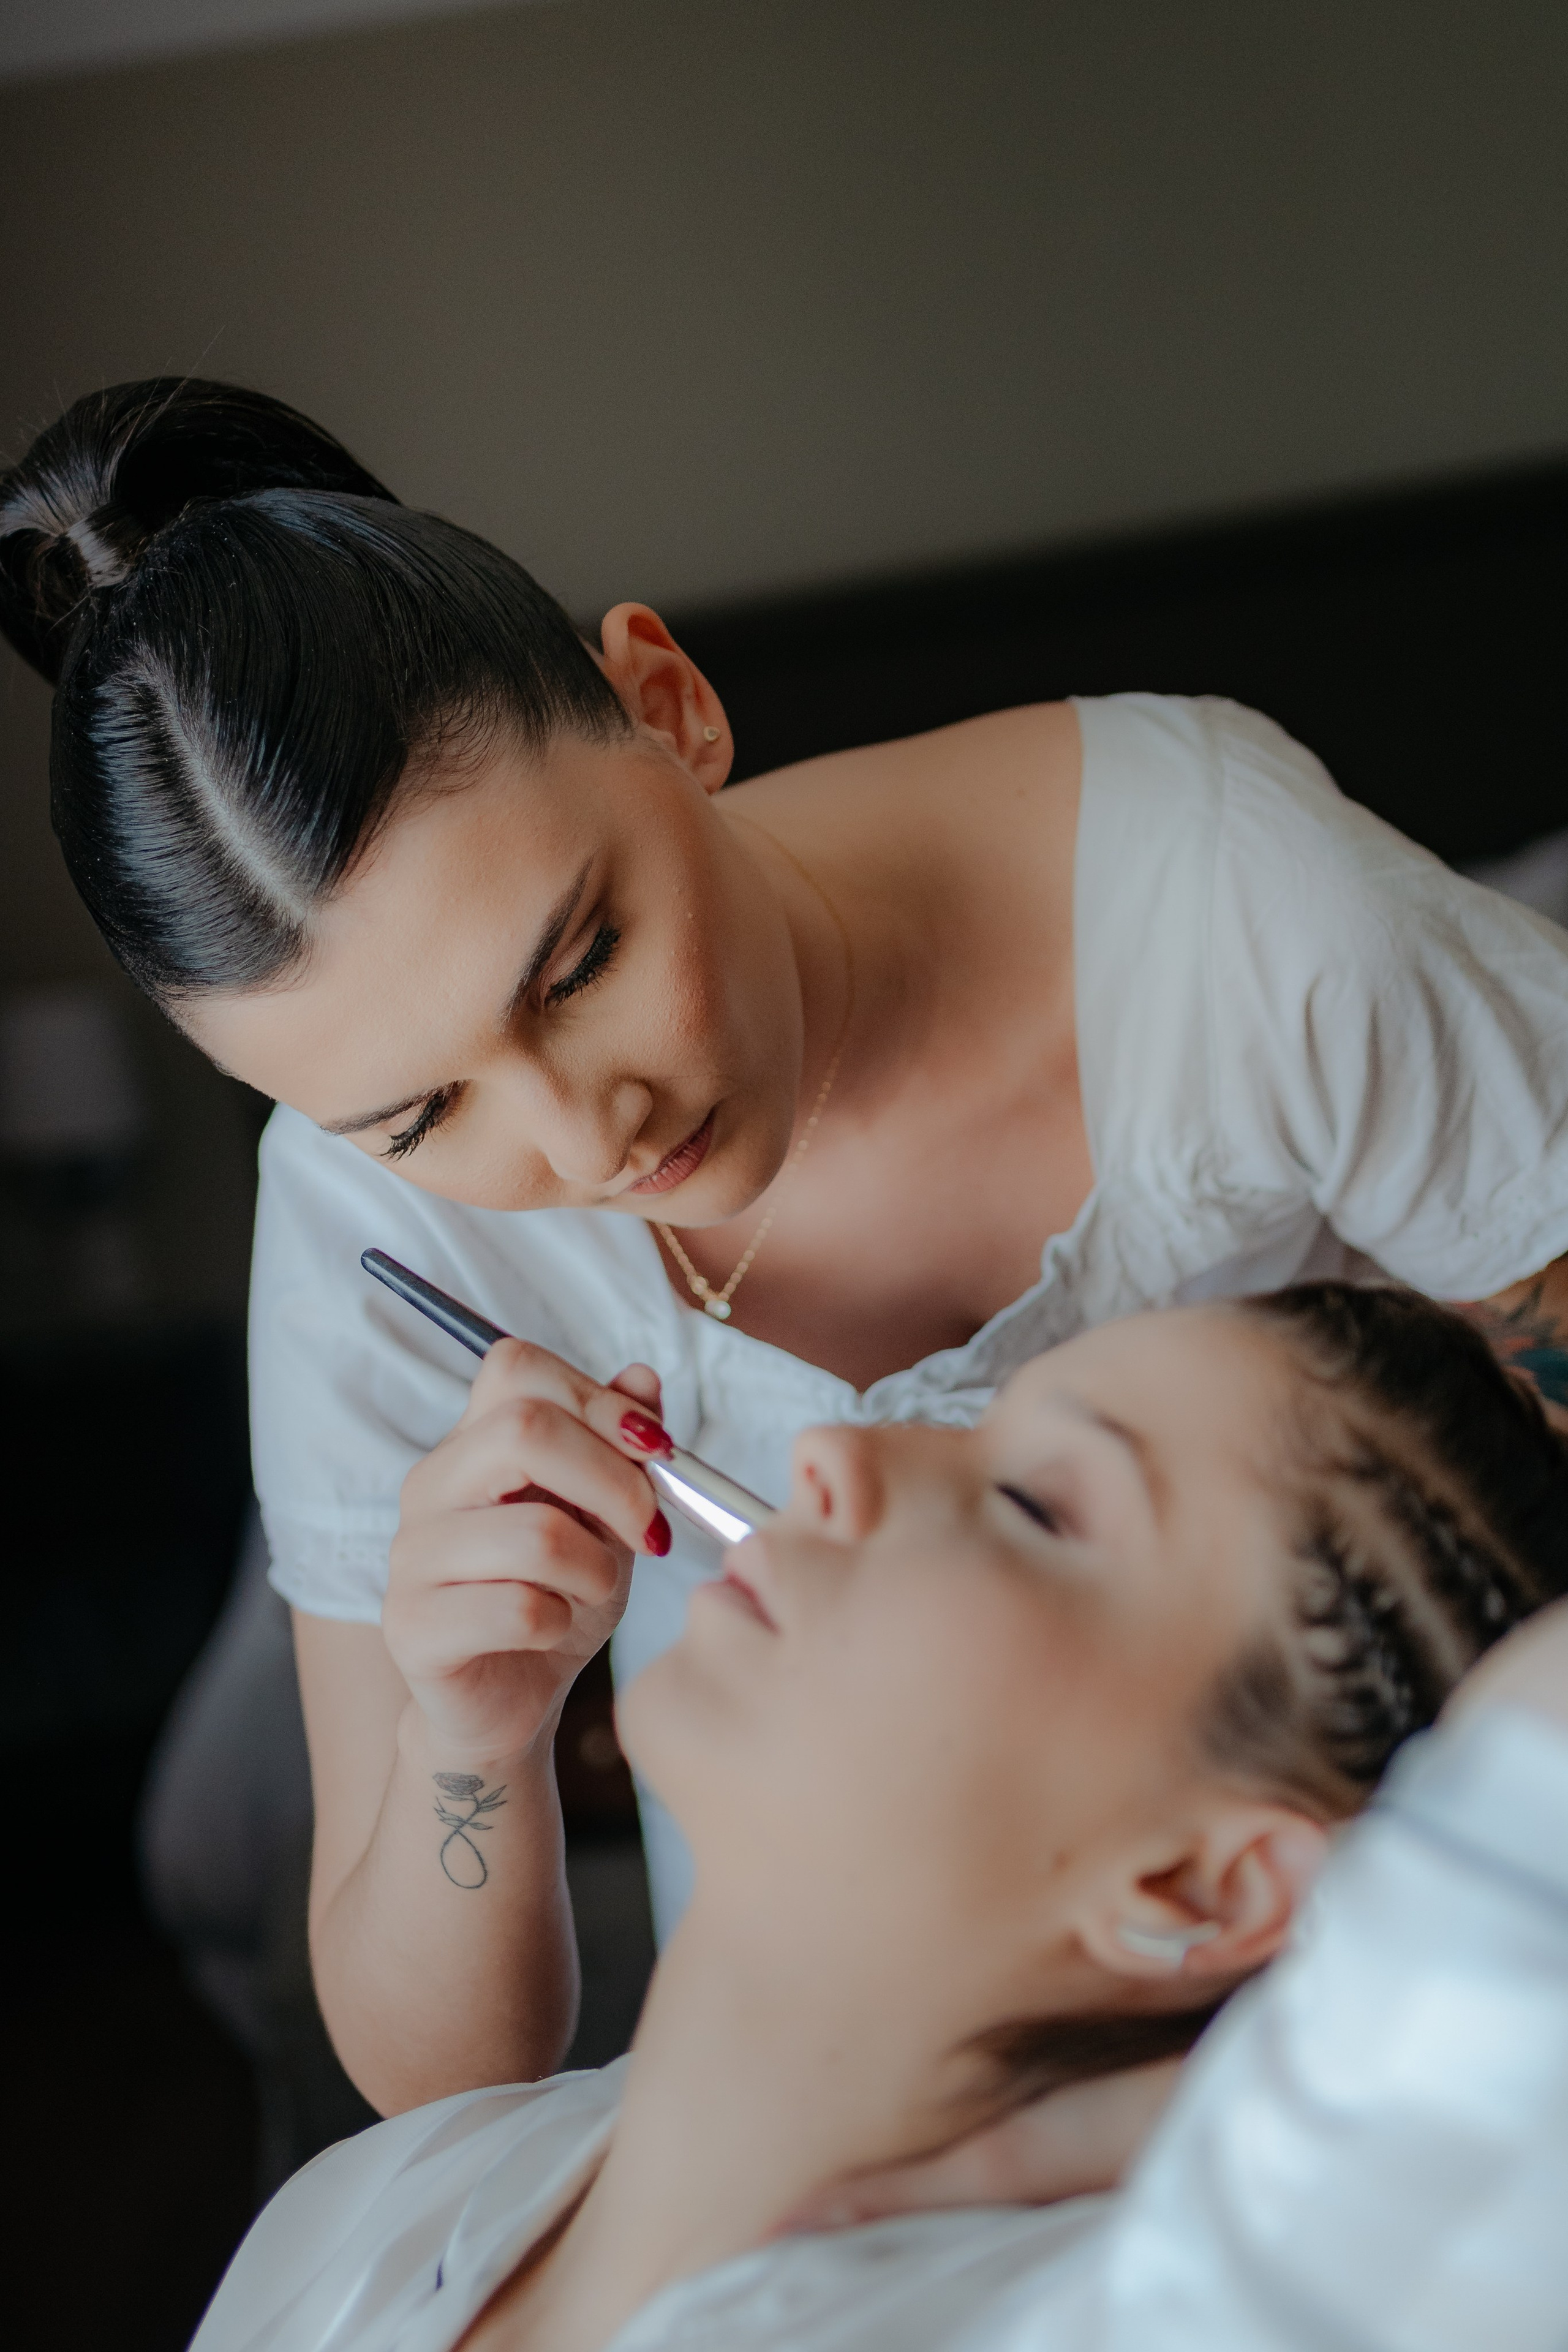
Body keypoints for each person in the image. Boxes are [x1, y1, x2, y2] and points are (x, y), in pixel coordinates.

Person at [7, 380, 1568, 2130]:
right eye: (418, 1115)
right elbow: (444, 2088)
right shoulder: (365, 1227)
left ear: (668, 706)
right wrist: (471, 1737)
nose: (586, 1139)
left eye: (580, 963)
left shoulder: (1231, 906)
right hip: (835, 2109)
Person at [187, 1281, 1568, 2352]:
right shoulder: (372, 2208)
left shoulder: (1155, 2313)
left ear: (1205, 1886)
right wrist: (466, 1744)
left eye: (1034, 1504)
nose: (833, 1453)